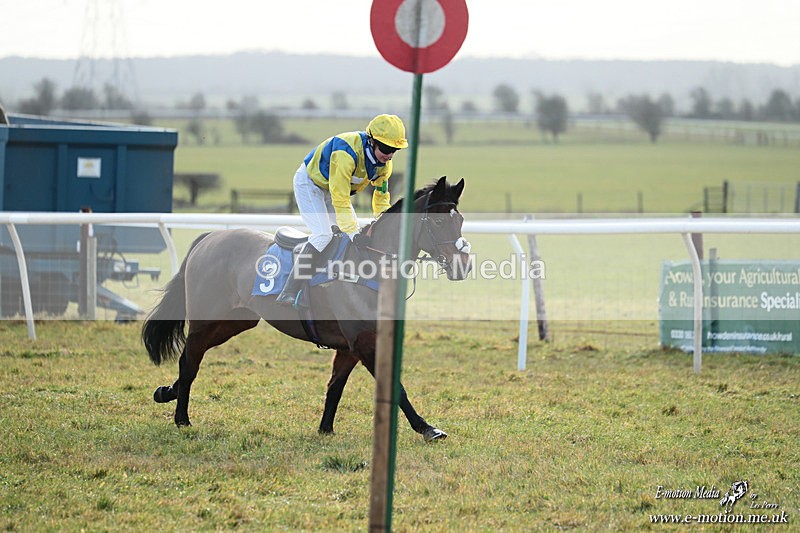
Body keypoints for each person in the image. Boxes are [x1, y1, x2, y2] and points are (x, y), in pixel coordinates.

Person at [276, 114, 408, 306]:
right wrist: (354, 233)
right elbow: (341, 199)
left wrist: (386, 223)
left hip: (333, 189)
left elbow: (381, 198)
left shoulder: (384, 166)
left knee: (344, 235)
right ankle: (289, 291)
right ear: (371, 141)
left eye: (394, 150)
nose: (389, 155)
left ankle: (327, 284)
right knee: (323, 235)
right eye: (386, 148)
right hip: (310, 184)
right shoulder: (346, 153)